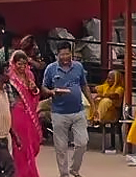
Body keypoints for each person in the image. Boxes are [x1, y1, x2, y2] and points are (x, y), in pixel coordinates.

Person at [42, 41, 94, 175]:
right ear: (57, 55)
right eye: (62, 55)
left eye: (67, 54)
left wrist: (93, 104)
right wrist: (51, 92)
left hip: (78, 111)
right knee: (61, 147)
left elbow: (84, 85)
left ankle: (74, 169)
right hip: (59, 113)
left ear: (71, 53)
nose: (65, 57)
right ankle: (64, 174)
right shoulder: (50, 69)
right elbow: (44, 87)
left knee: (82, 142)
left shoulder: (78, 67)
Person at [8, 51, 43, 177]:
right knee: (20, 145)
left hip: (29, 114)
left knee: (30, 144)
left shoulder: (29, 75)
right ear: (13, 63)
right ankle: (20, 173)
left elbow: (34, 95)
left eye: (24, 63)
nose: (22, 67)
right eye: (19, 64)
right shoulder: (10, 78)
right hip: (17, 114)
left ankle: (29, 172)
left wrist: (34, 89)